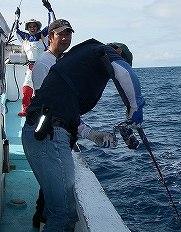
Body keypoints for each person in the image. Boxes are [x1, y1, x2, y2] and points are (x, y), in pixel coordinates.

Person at [22, 36, 145, 231]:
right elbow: (124, 72)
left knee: (55, 211)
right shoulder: (104, 51)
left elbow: (63, 111)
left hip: (41, 134)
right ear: (118, 53)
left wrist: (92, 135)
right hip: (48, 137)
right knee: (63, 217)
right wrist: (135, 109)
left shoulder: (78, 62)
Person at [30, 19, 117, 228]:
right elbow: (51, 104)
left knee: (51, 192)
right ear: (50, 37)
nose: (66, 38)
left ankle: (41, 216)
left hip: (59, 130)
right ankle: (39, 217)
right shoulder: (45, 63)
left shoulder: (62, 61)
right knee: (57, 203)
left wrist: (87, 132)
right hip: (49, 132)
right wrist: (88, 133)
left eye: (69, 34)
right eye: (61, 34)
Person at [13, 0, 55, 116]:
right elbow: (16, 30)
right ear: (28, 28)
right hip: (30, 67)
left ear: (37, 27)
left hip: (42, 66)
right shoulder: (24, 38)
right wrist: (17, 17)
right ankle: (25, 110)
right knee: (26, 89)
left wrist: (49, 10)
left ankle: (45, 111)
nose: (32, 28)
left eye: (34, 26)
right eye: (30, 26)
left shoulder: (43, 36)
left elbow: (52, 24)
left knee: (43, 90)